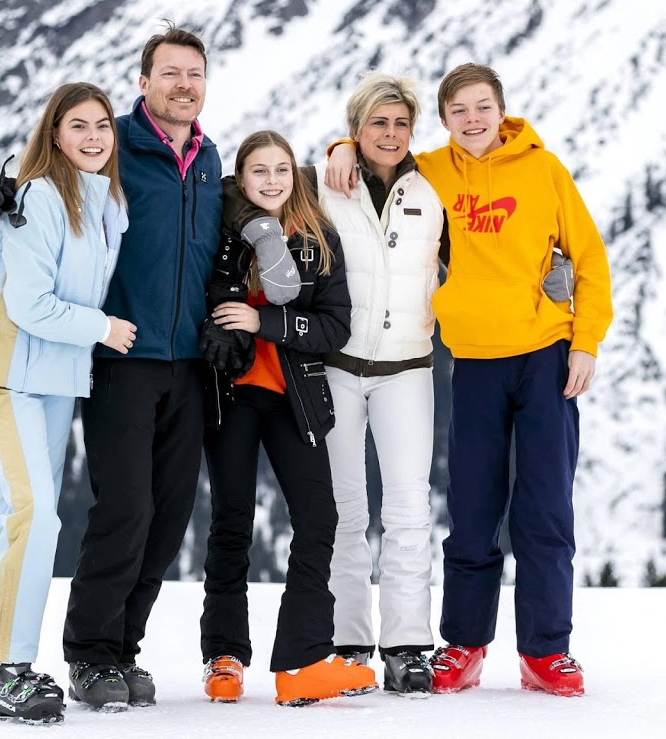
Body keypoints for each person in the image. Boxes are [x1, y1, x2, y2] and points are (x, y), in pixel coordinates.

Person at [0, 25, 298, 711]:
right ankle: (89, 654)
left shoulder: (209, 159)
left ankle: (121, 648)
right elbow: (50, 171)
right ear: (144, 82)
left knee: (169, 517)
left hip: (190, 363)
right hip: (120, 358)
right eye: (169, 73)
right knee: (124, 509)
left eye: (194, 74)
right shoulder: (113, 144)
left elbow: (251, 202)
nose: (183, 85)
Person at [326, 63, 613, 697]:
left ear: (501, 111)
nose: (472, 119)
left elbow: (590, 259)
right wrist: (341, 147)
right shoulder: (432, 170)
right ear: (445, 119)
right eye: (458, 110)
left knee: (544, 510)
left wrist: (585, 343)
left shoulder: (544, 170)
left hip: (545, 358)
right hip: (475, 364)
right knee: (473, 512)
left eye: (482, 107)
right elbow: (379, 156)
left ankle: (546, 653)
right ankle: (463, 646)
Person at [0, 81, 132, 724]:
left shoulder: (105, 201)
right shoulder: (39, 196)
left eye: (102, 125)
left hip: (56, 378)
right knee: (35, 516)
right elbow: (28, 305)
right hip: (10, 374)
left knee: (17, 515)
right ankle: (9, 669)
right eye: (78, 125)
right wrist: (102, 328)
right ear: (54, 134)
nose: (93, 137)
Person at [197, 130, 378, 707]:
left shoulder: (317, 237)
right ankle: (224, 657)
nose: (272, 181)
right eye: (259, 171)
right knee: (232, 522)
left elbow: (335, 327)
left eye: (281, 170)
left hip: (293, 397)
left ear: (294, 176)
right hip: (230, 394)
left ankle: (302, 661)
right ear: (241, 178)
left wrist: (264, 324)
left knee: (319, 517)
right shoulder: (222, 231)